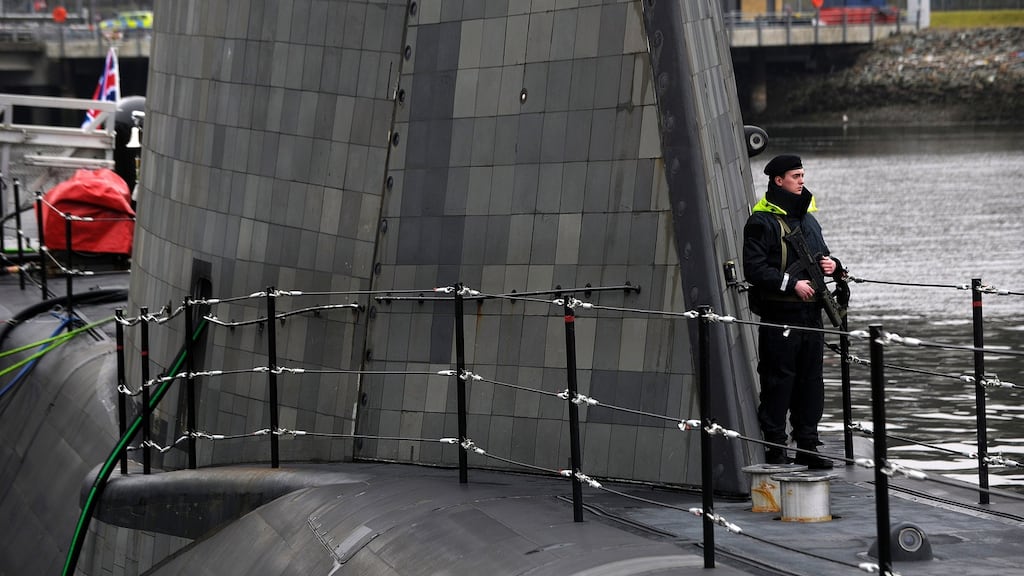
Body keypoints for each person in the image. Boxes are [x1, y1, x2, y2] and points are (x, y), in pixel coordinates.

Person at [742, 154, 842, 469]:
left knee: (811, 382)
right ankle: (775, 448)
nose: (802, 180)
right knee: (778, 381)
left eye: (802, 175)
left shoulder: (808, 218)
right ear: (778, 180)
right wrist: (790, 284)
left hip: (811, 316)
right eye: (796, 175)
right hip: (780, 315)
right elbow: (754, 269)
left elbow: (821, 255)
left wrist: (833, 266)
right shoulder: (761, 221)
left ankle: (808, 447)